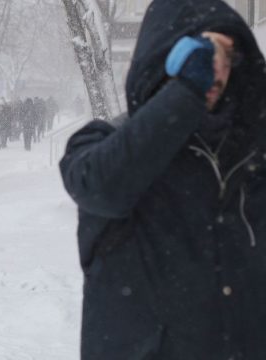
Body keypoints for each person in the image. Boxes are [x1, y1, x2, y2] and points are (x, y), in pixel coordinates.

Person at [60, 0, 266, 359]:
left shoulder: (254, 154)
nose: (218, 72)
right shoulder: (105, 142)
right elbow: (101, 189)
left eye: (228, 59)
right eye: (200, 58)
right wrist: (186, 93)